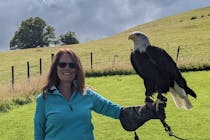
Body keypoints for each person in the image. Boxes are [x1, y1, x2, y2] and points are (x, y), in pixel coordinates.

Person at [34, 48, 166, 140]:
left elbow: (115, 110)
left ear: (77, 69)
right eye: (62, 64)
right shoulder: (44, 99)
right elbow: (38, 134)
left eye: (72, 65)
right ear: (55, 68)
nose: (67, 68)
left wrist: (147, 111)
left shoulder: (87, 95)